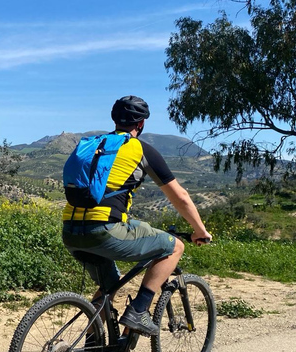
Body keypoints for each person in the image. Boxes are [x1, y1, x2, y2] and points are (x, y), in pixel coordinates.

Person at [62, 95, 212, 336]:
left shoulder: (95, 145)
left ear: (114, 119)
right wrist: (200, 230)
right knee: (175, 248)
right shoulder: (141, 149)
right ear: (141, 124)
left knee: (109, 286)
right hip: (104, 231)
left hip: (71, 231)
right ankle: (139, 311)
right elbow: (180, 197)